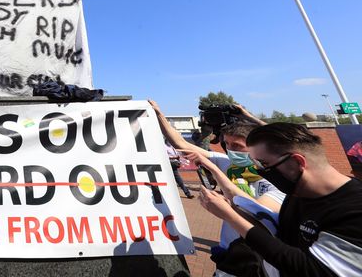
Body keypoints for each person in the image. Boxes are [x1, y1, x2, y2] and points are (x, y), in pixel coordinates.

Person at [199, 122, 362, 276]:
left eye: (264, 164)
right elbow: (278, 231)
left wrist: (230, 216)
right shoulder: (298, 193)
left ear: (297, 161)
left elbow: (309, 269)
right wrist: (233, 209)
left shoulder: (354, 209)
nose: (259, 171)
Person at [151, 100, 285, 276]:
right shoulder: (228, 163)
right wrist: (159, 115)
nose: (230, 151)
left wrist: (214, 169)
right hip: (229, 253)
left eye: (237, 146)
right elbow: (181, 144)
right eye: (227, 145)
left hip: (262, 257)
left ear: (255, 147)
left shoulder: (277, 176)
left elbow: (255, 211)